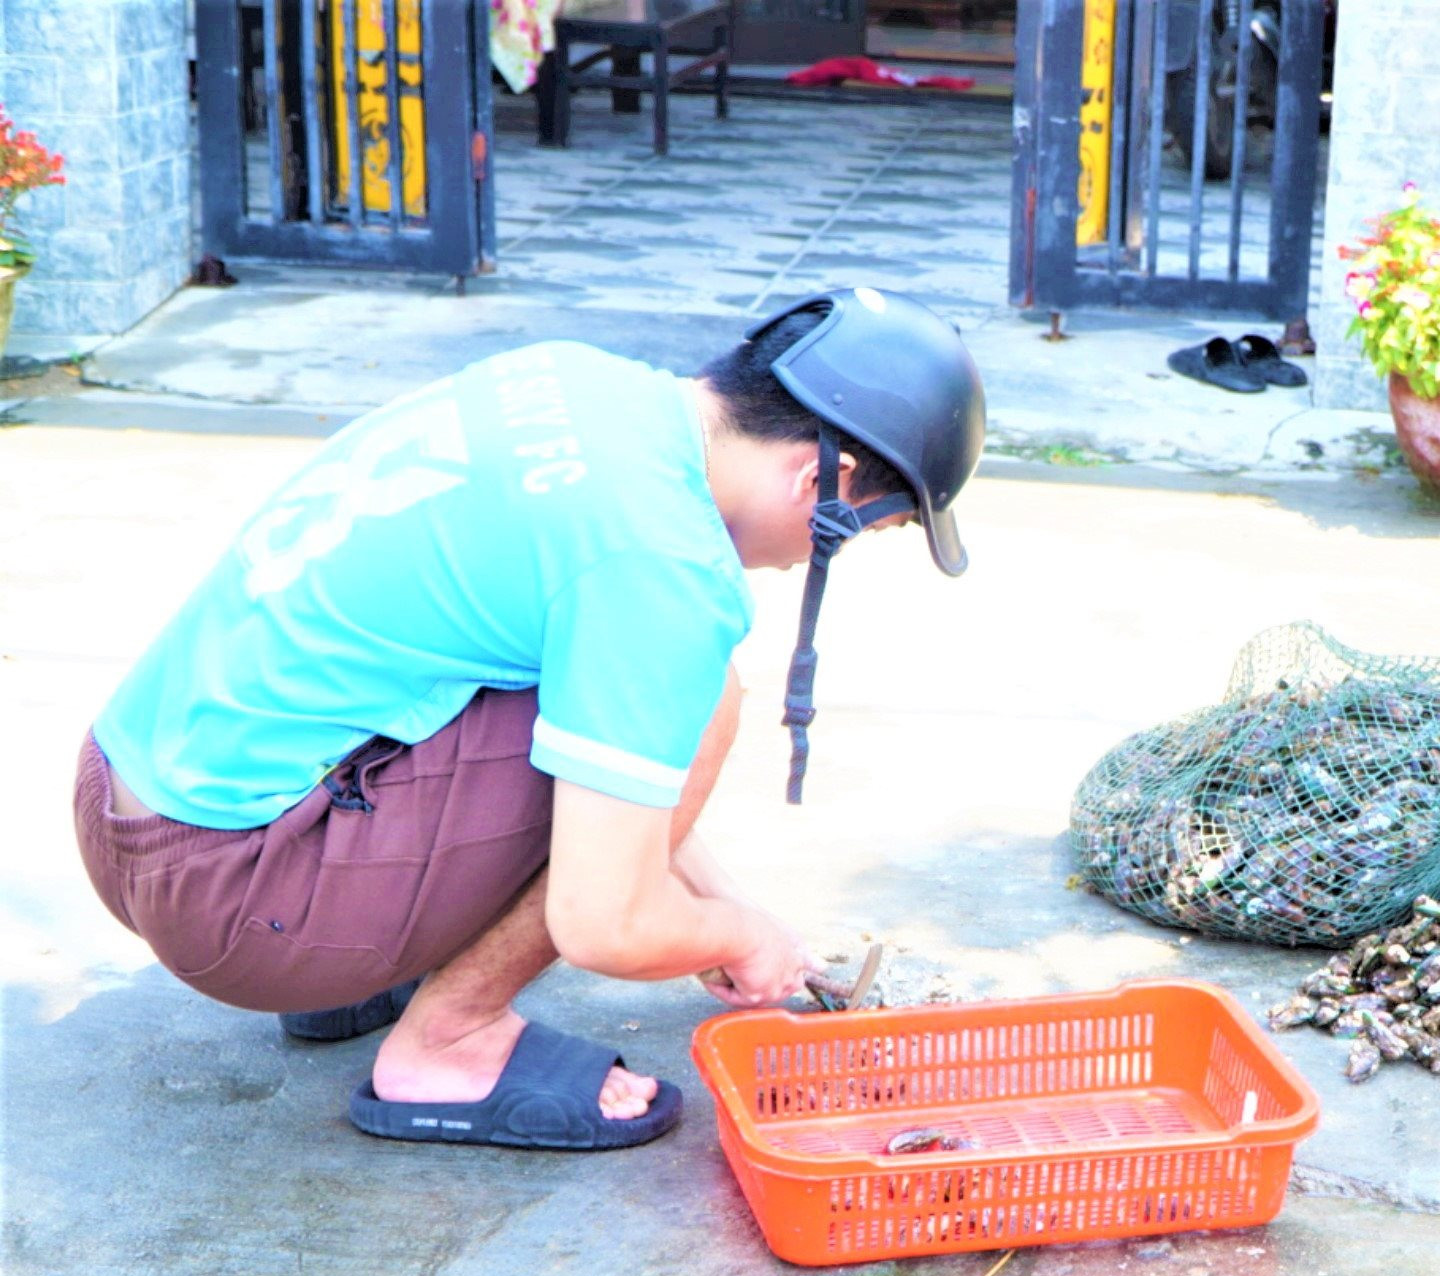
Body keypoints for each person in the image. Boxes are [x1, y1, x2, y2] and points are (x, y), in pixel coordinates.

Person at [72, 287, 986, 1151]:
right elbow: (605, 923)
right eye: (868, 528)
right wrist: (736, 938)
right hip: (234, 902)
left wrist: (719, 901)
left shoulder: (577, 383)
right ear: (821, 477)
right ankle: (450, 1044)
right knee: (703, 695)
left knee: (616, 682)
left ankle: (358, 968)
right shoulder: (662, 570)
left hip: (128, 794)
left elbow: (618, 758)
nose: (825, 557)